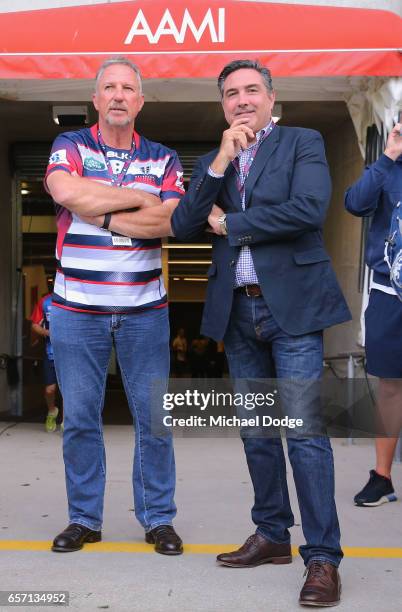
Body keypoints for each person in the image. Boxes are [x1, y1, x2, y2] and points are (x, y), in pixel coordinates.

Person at [85, 59, 351, 607]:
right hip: (239, 314)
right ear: (223, 105)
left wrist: (233, 224)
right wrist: (223, 160)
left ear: (271, 97)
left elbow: (308, 210)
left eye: (253, 90)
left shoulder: (303, 141)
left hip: (293, 310)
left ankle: (322, 557)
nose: (242, 100)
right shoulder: (212, 161)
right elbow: (182, 225)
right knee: (256, 433)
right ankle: (274, 535)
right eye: (232, 94)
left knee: (302, 433)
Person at [45, 57, 185, 555]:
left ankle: (158, 519)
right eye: (110, 87)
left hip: (145, 310)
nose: (120, 95)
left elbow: (170, 219)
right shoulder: (71, 146)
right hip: (76, 309)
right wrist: (135, 203)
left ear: (141, 100)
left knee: (154, 419)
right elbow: (64, 189)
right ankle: (84, 518)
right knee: (81, 416)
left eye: (129, 87)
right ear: (97, 99)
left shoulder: (165, 157)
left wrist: (99, 208)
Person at [345, 120, 402, 507]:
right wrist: (389, 154)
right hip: (389, 292)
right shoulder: (387, 168)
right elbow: (354, 203)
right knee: (390, 385)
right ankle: (382, 477)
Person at [30, 291, 61, 432]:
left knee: (69, 390)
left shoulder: (75, 298)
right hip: (51, 353)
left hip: (72, 353)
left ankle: (68, 420)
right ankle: (51, 411)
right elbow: (35, 325)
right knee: (50, 389)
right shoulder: (45, 301)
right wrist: (48, 333)